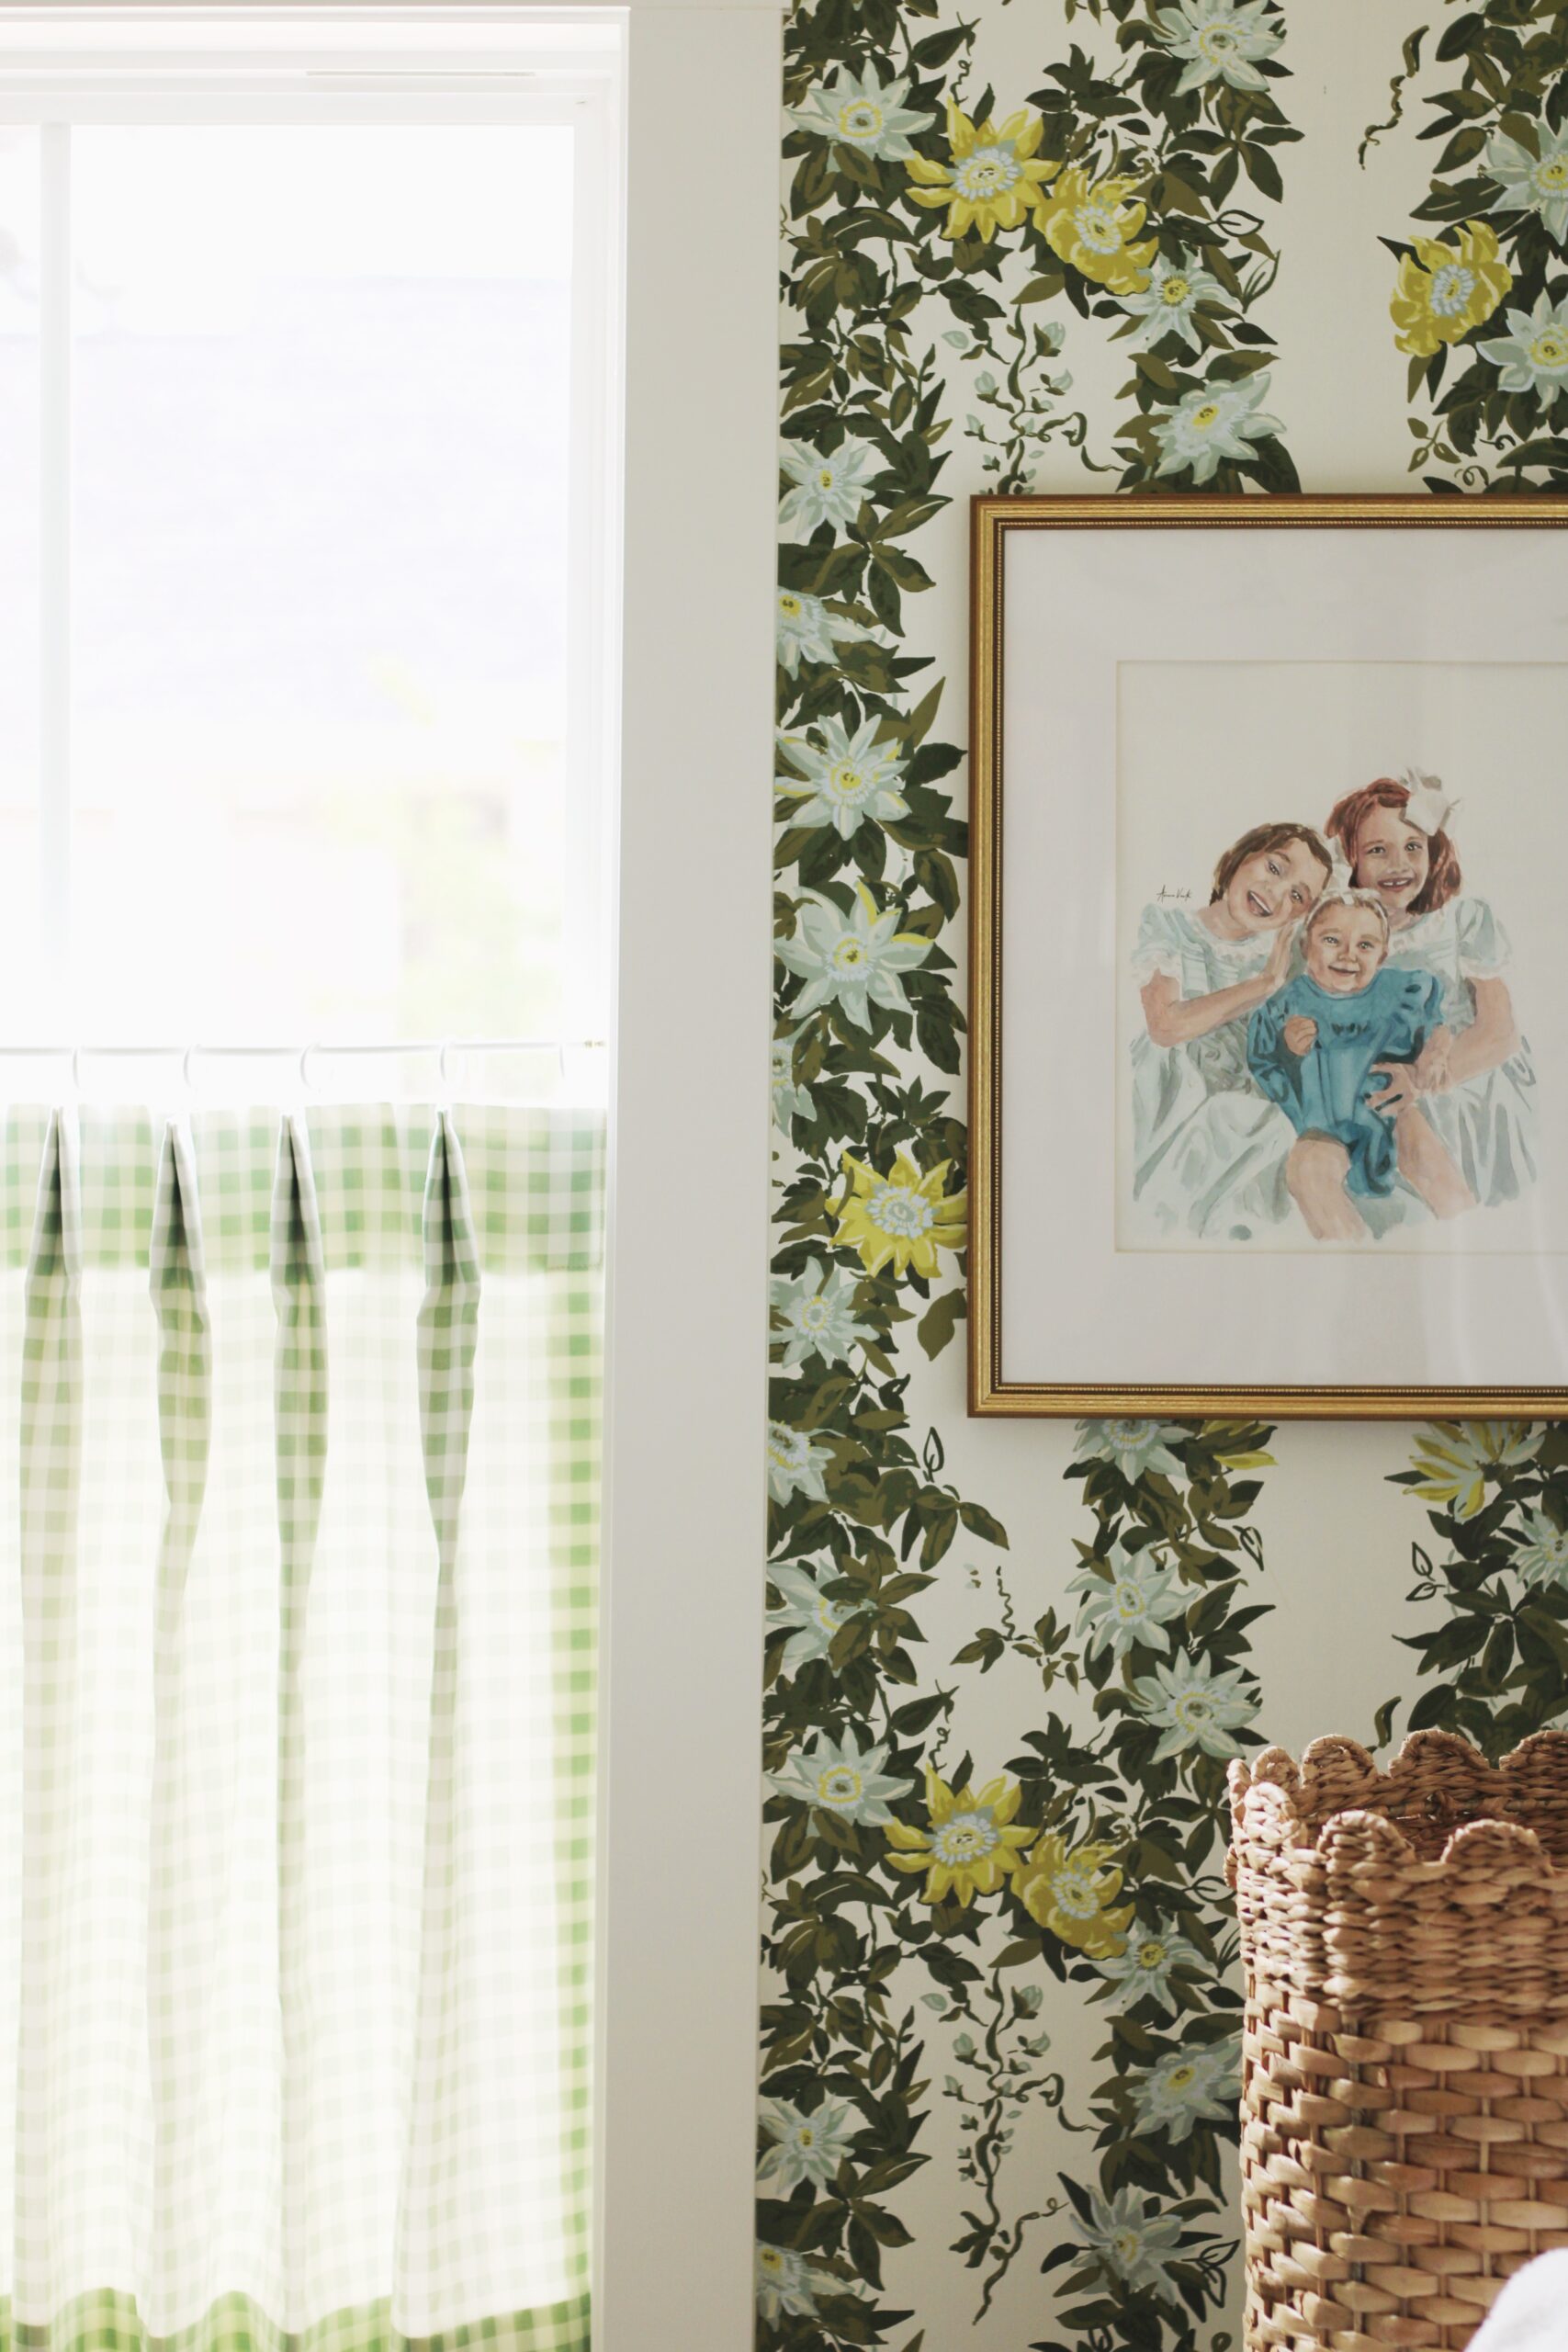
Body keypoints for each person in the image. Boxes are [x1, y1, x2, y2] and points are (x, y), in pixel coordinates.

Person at [1324, 772, 1536, 1210]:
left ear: (1433, 851)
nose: (1398, 865)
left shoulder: (1460, 919)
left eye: (1412, 847)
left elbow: (1499, 1032)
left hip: (1461, 1072)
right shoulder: (1339, 935)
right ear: (1350, 860)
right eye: (1377, 850)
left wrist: (1421, 1080)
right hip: (1380, 1080)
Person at [1131, 821, 1332, 1238]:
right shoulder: (1170, 927)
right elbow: (1165, 1027)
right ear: (1243, 855)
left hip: (1240, 1117)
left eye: (1298, 896)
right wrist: (1263, 984)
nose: (1276, 894)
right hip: (1170, 1100)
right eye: (1274, 868)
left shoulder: (1286, 963)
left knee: (1268, 1130)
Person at [1247, 888, 1473, 1241]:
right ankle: (1351, 1248)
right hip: (1322, 1122)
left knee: (1425, 1153)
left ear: (1382, 955)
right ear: (1306, 946)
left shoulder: (1401, 992)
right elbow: (1263, 1059)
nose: (1348, 955)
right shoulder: (1288, 1003)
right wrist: (1289, 1047)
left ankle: (1468, 1229)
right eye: (1331, 940)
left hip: (1388, 1108)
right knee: (1308, 1170)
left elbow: (1437, 1026)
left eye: (1365, 945)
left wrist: (1435, 1052)